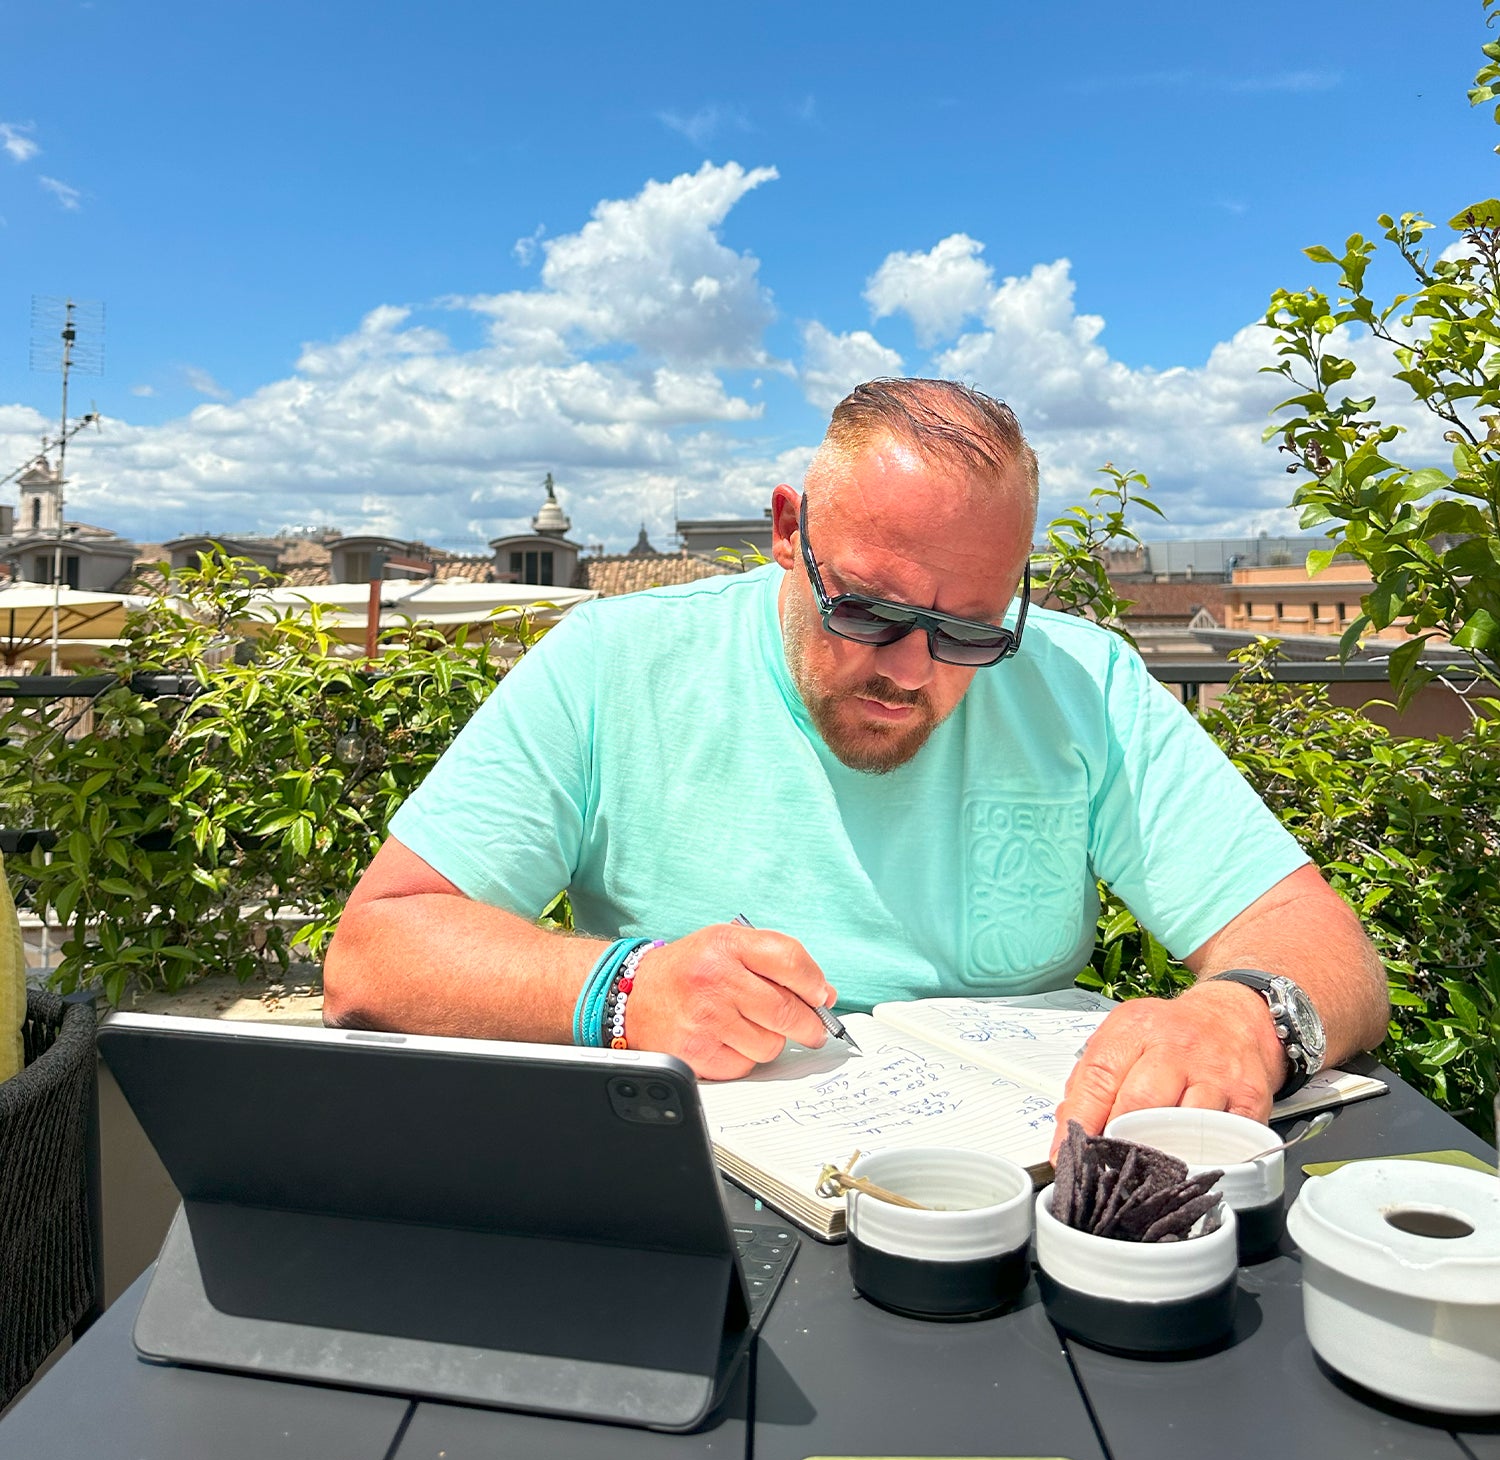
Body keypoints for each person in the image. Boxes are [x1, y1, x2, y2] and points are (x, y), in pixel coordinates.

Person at [324, 379, 1389, 1148]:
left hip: (1024, 1194)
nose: (915, 671)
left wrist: (1242, 1015)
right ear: (789, 532)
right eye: (869, 610)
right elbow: (375, 953)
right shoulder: (613, 663)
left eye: (971, 631)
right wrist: (620, 987)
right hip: (693, 1192)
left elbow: (1315, 939)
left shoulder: (1085, 681)